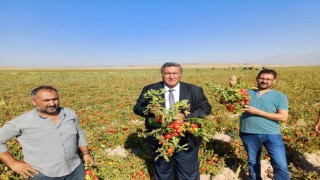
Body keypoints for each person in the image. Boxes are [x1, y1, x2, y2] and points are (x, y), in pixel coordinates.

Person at [133, 62, 211, 180]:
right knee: (163, 173)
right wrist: (152, 112)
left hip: (187, 139)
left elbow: (206, 108)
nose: (171, 76)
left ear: (180, 74)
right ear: (162, 74)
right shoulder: (150, 90)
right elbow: (137, 108)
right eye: (167, 73)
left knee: (188, 173)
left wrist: (185, 117)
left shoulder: (194, 90)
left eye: (175, 73)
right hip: (160, 140)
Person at [0, 86, 94, 179]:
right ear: (34, 102)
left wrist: (86, 153)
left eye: (55, 99)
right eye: (46, 100)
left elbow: (79, 133)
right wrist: (13, 163)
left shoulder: (69, 114)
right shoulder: (22, 122)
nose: (52, 103)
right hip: (43, 174)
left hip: (75, 168)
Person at [239, 69, 290, 180]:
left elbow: (283, 117)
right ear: (257, 79)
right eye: (262, 78)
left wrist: (258, 112)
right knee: (253, 162)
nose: (264, 81)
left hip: (272, 134)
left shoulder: (279, 96)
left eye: (268, 79)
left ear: (274, 81)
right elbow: (225, 101)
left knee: (280, 165)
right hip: (248, 133)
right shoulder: (246, 93)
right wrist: (231, 86)